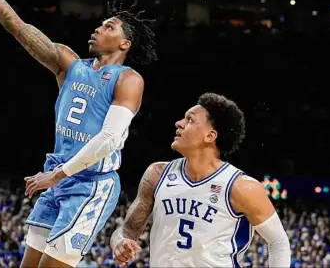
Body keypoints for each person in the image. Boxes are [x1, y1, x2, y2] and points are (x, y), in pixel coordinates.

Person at [0, 0, 157, 268]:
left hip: (90, 184)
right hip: (58, 176)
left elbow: (109, 140)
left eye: (109, 26)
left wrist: (56, 176)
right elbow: (15, 24)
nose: (98, 28)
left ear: (125, 44)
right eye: (100, 24)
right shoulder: (68, 64)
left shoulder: (128, 79)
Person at [110, 93, 291, 267]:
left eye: (189, 120)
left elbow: (278, 241)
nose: (179, 123)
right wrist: (120, 242)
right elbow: (127, 230)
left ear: (210, 136)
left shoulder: (240, 187)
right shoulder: (157, 174)